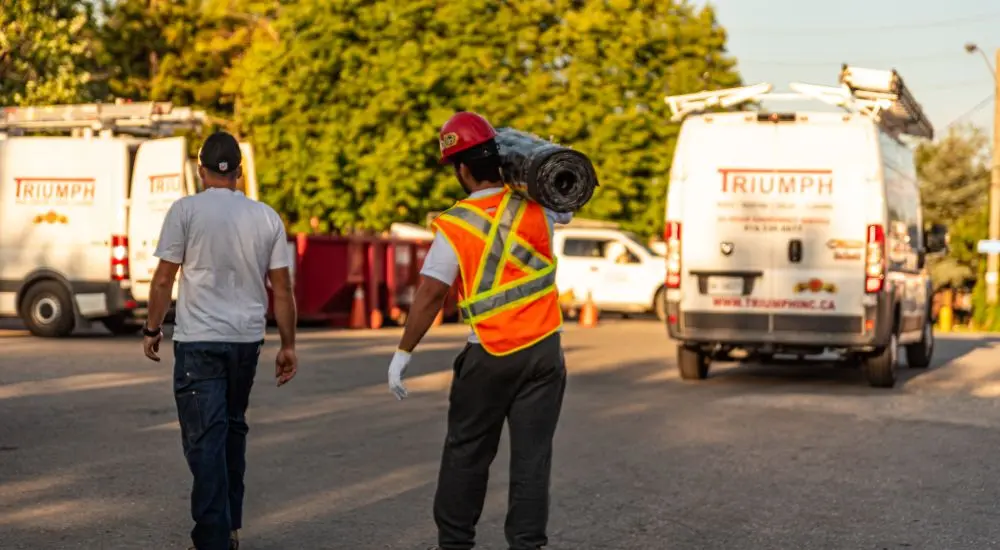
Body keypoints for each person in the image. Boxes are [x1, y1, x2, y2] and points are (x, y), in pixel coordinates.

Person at [387, 112, 571, 550]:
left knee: (466, 454)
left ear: (462, 169)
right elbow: (566, 201)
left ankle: (455, 543)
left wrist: (403, 353)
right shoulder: (537, 208)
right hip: (545, 352)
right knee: (532, 461)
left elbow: (431, 294)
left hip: (490, 354)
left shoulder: (456, 224)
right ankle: (527, 545)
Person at [141, 131, 299, 550]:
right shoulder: (266, 216)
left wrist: (152, 328)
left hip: (199, 343)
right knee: (230, 430)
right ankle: (227, 526)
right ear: (240, 172)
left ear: (200, 170)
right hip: (246, 342)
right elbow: (282, 290)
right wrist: (288, 345)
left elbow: (163, 279)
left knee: (205, 439)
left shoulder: (185, 211)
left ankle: (213, 538)